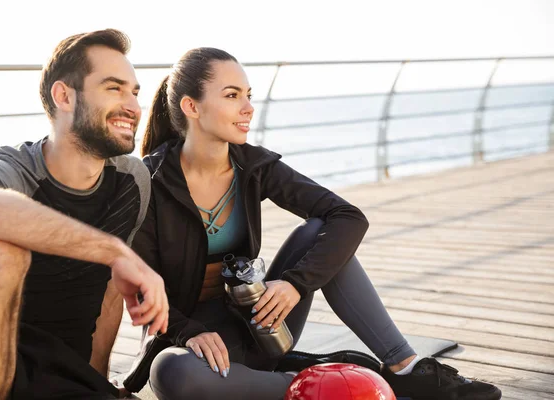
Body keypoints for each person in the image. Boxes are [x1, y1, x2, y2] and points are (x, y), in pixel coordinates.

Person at [125, 47, 502, 400]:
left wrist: (293, 284)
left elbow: (348, 217)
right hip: (191, 345)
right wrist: (189, 332)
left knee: (319, 234)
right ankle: (325, 386)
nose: (248, 108)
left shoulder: (254, 166)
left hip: (261, 328)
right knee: (170, 373)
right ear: (191, 106)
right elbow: (140, 287)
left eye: (249, 95)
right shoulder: (150, 181)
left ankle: (404, 366)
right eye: (232, 95)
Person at [0, 29, 169, 400]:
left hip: (66, 377)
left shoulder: (132, 180)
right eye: (114, 88)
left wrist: (97, 381)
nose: (134, 106)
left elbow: (108, 295)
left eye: (134, 92)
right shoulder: (12, 169)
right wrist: (114, 251)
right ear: (64, 95)